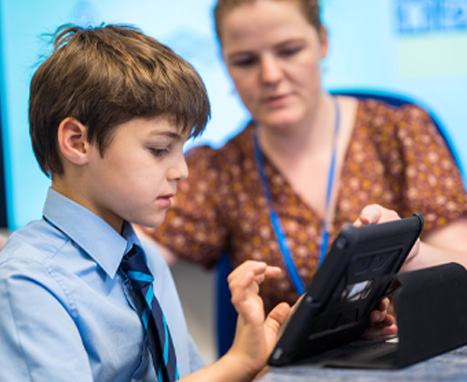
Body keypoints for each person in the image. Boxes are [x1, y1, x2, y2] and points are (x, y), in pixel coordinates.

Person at [0, 23, 299, 382]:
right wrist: (235, 363)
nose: (182, 171)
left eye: (182, 148)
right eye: (159, 149)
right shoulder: (26, 286)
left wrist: (266, 357)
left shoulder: (146, 263)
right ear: (77, 142)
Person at [147, 0, 467, 313]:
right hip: (293, 362)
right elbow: (134, 252)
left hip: (407, 356)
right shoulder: (220, 169)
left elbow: (461, 263)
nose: (271, 75)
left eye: (289, 51)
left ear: (322, 42)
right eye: (246, 61)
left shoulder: (400, 131)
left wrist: (411, 254)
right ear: (225, 64)